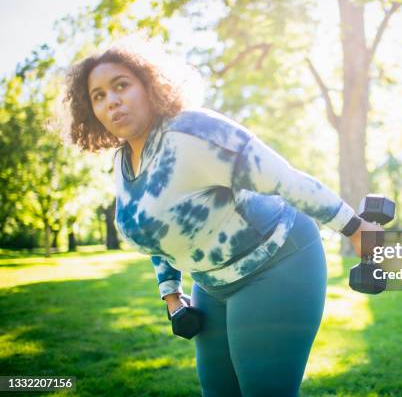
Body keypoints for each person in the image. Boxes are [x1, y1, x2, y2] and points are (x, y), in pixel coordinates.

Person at [65, 47, 382, 396]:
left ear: (149, 85)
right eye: (99, 95)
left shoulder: (192, 132)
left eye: (121, 85)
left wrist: (353, 228)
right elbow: (155, 229)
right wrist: (171, 294)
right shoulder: (124, 164)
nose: (111, 100)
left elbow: (283, 179)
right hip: (211, 284)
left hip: (276, 261)